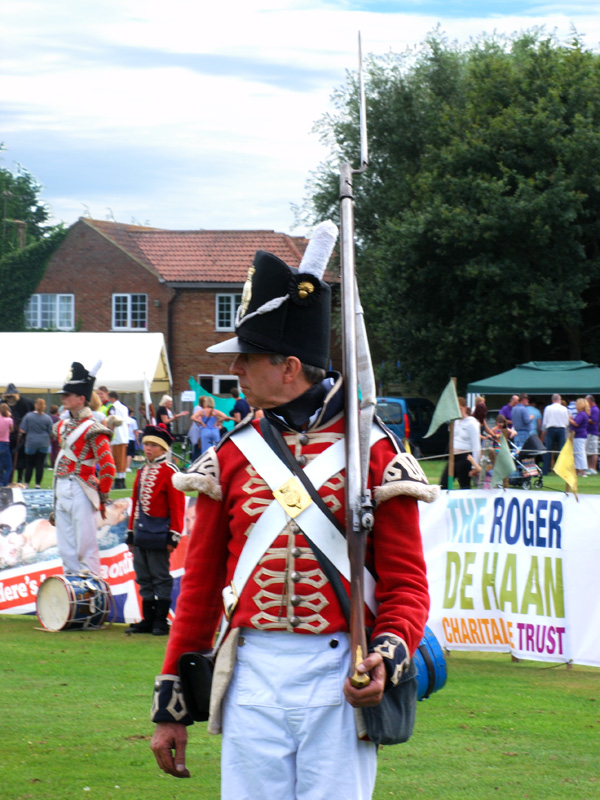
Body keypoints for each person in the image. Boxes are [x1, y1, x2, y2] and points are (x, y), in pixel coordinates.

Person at [150, 244, 436, 799]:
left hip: (339, 673)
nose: (234, 370)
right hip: (251, 670)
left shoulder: (376, 453)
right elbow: (202, 590)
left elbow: (406, 583)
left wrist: (389, 651)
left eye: (247, 359)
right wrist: (171, 707)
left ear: (288, 367)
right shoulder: (231, 456)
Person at [53, 361, 116, 576]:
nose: (63, 398)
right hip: (61, 488)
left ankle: (92, 597)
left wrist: (103, 496)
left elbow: (108, 467)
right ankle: (72, 595)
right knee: (66, 548)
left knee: (86, 548)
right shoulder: (61, 426)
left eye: (68, 394)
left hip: (82, 488)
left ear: (81, 399)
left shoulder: (93, 429)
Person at [126, 423, 185, 636]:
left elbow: (177, 507)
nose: (148, 448)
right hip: (141, 532)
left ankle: (161, 620)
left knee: (160, 576)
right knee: (143, 576)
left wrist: (174, 534)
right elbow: (135, 504)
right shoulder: (142, 471)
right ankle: (148, 619)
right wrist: (130, 532)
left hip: (160, 533)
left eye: (153, 445)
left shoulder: (171, 472)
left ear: (163, 449)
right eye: (146, 444)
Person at [440, 397, 481, 489]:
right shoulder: (454, 422)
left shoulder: (472, 423)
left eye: (460, 408)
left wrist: (475, 465)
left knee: (464, 484)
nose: (458, 411)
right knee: (444, 483)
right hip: (453, 456)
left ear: (465, 408)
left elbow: (476, 445)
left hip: (465, 457)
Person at [2, 383, 34, 484]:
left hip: (21, 436)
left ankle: (19, 479)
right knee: (6, 460)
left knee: (20, 459)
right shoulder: (3, 404)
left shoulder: (26, 403)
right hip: (7, 437)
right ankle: (7, 479)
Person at [19, 398, 53, 489]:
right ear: (44, 406)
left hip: (31, 442)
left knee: (29, 464)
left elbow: (22, 430)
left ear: (35, 405)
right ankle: (38, 484)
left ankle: (26, 483)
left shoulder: (28, 416)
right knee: (40, 464)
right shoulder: (47, 418)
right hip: (44, 442)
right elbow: (51, 431)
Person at [541, 394, 570, 475]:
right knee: (561, 451)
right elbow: (567, 422)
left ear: (552, 400)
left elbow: (545, 421)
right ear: (559, 399)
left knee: (548, 451)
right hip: (561, 429)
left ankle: (545, 471)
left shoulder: (548, 408)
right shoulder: (564, 409)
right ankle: (560, 471)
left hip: (550, 429)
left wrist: (544, 429)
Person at [107, 391, 130, 489]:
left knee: (117, 459)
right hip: (124, 435)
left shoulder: (113, 407)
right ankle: (121, 479)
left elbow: (111, 420)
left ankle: (119, 481)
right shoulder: (124, 408)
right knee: (122, 459)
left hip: (117, 435)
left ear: (112, 398)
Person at [569, 397, 589, 477]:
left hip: (579, 435)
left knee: (580, 453)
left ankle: (582, 470)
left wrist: (569, 419)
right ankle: (578, 469)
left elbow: (576, 423)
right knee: (578, 453)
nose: (576, 405)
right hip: (580, 435)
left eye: (577, 404)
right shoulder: (583, 414)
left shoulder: (581, 414)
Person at [585, 395, 599, 475]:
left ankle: (593, 468)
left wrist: (584, 418)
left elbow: (593, 421)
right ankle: (589, 468)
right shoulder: (591, 409)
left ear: (590, 401)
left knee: (593, 451)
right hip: (589, 433)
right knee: (588, 451)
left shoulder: (595, 410)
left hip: (592, 433)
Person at [0, 403, 13, 487]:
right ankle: (4, 483)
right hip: (4, 443)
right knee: (9, 466)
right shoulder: (9, 420)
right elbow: (11, 430)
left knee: (0, 464)